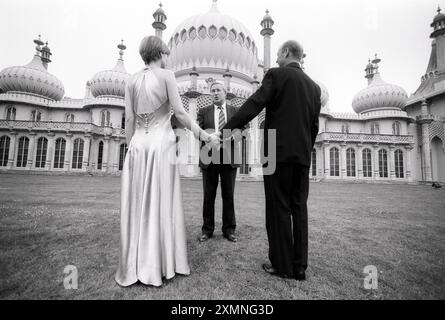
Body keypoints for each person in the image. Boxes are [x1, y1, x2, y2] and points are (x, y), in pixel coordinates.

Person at [115, 36, 219, 287]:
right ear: (160, 52)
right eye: (166, 51)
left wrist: (131, 147)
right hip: (161, 145)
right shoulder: (166, 76)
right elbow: (181, 113)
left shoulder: (131, 80)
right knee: (160, 202)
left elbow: (129, 119)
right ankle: (159, 264)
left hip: (138, 146)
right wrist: (204, 135)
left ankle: (136, 263)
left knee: (138, 203)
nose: (168, 55)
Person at [222, 40, 321, 281]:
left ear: (286, 52)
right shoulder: (314, 88)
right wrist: (306, 149)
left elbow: (256, 103)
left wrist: (229, 125)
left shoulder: (276, 75)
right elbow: (314, 126)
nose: (276, 58)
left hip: (275, 153)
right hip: (302, 156)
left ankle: (282, 264)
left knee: (278, 208)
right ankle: (299, 267)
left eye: (278, 53)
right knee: (299, 208)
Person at [196, 82, 244, 243]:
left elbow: (242, 130)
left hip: (229, 158)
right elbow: (198, 132)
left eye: (218, 90)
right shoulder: (203, 112)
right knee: (208, 196)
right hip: (209, 158)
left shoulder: (235, 111)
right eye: (213, 91)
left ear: (225, 92)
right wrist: (209, 137)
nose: (215, 93)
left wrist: (232, 137)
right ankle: (207, 230)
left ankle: (229, 230)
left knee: (228, 196)